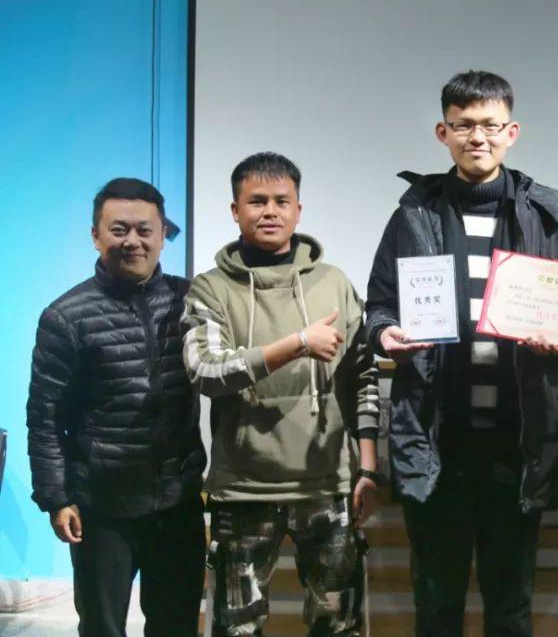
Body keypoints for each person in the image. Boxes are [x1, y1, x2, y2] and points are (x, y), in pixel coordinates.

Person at [365, 70, 558, 636]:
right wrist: (385, 334)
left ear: (512, 131)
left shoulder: (550, 217)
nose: (477, 137)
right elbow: (380, 305)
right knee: (436, 605)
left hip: (518, 442)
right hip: (437, 439)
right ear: (443, 132)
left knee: (510, 606)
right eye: (463, 126)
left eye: (490, 125)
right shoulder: (412, 214)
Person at [182, 152, 381, 636]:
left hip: (328, 487)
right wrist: (297, 344)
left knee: (339, 626)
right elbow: (205, 371)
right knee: (237, 629)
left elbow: (363, 377)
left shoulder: (333, 283)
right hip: (243, 489)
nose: (269, 211)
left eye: (281, 201)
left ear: (298, 209)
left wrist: (368, 469)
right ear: (235, 210)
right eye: (256, 201)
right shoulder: (210, 289)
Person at [26, 177, 205, 636]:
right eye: (119, 229)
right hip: (101, 507)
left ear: (163, 234)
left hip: (177, 503)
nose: (133, 241)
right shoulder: (66, 316)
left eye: (145, 230)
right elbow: (45, 418)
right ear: (96, 235)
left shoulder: (191, 302)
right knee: (102, 628)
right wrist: (56, 498)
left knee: (177, 626)